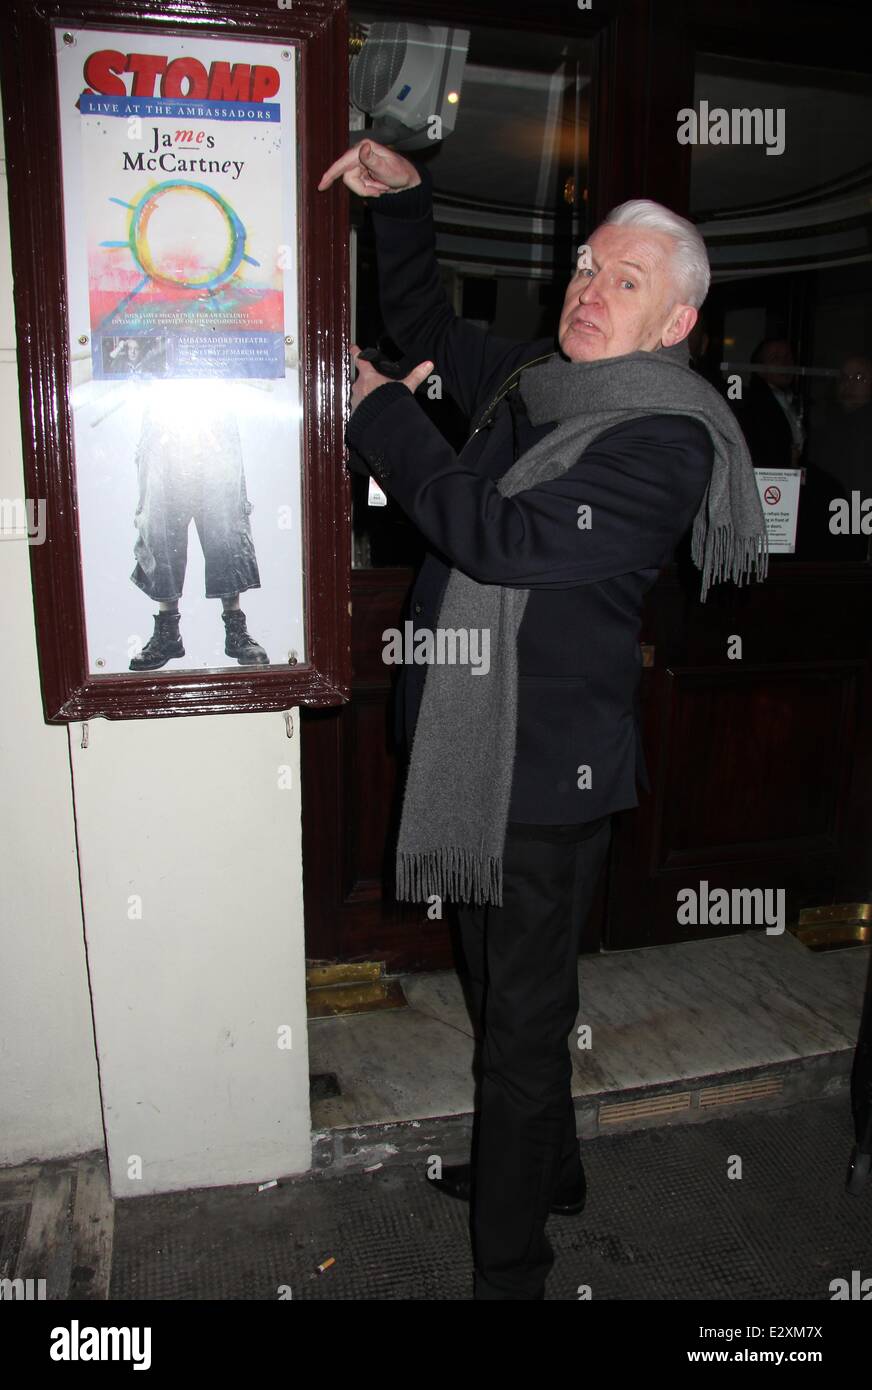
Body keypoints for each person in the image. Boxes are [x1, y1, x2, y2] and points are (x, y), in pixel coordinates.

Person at [318, 139, 766, 1300]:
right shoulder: (533, 377)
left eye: (625, 281)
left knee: (518, 1029)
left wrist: (380, 417)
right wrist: (406, 200)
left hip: (547, 782)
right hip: (477, 756)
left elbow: (500, 540)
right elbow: (419, 320)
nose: (587, 289)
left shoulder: (662, 442)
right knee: (504, 997)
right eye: (586, 266)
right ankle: (548, 1169)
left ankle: (510, 1271)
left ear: (674, 324)